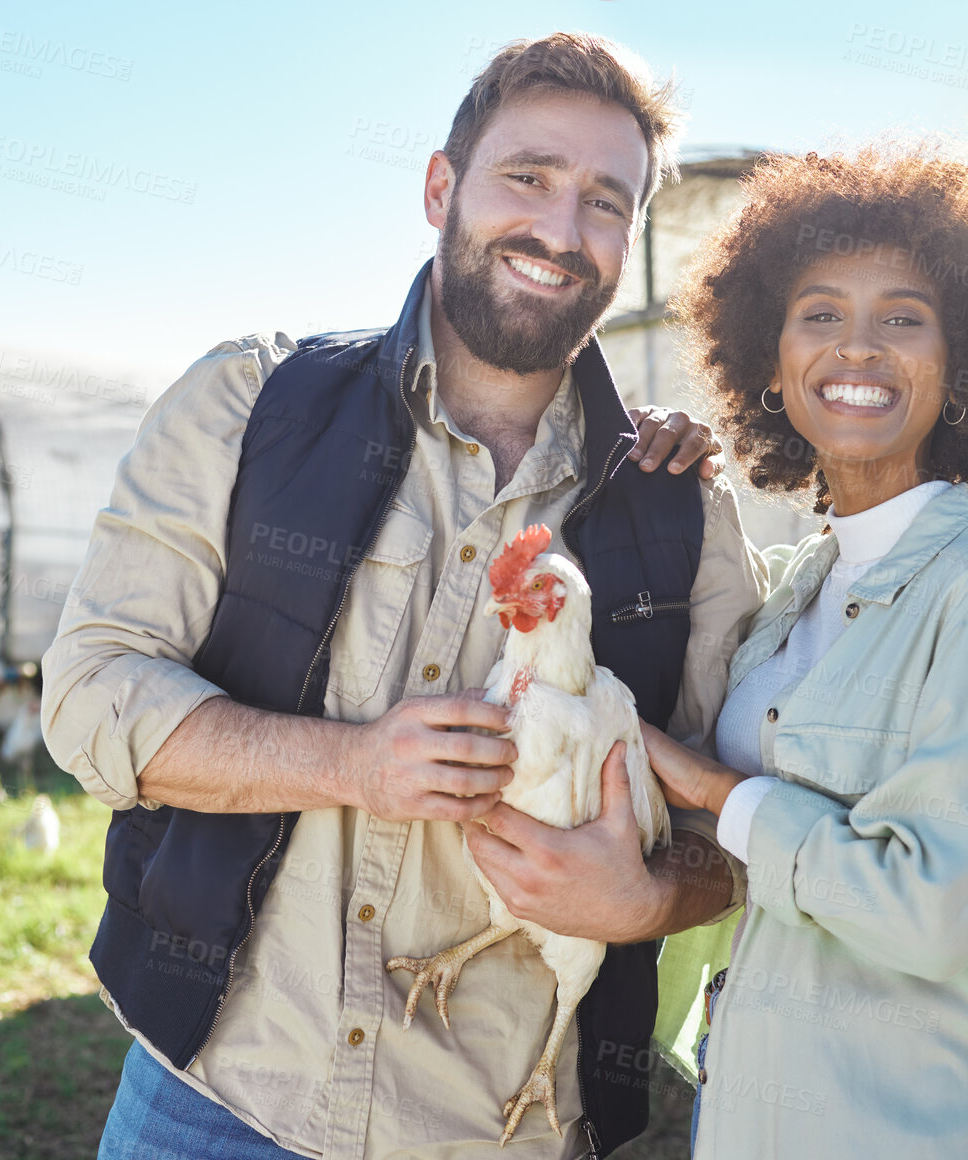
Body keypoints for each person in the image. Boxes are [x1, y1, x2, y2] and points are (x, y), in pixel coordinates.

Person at [41, 31, 770, 1160]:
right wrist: (350, 763)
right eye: (525, 177)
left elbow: (738, 827)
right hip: (218, 1099)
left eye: (603, 202)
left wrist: (641, 905)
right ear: (441, 186)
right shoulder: (251, 406)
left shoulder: (685, 514)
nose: (559, 229)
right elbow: (90, 694)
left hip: (496, 1128)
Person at [481, 144, 968, 1159]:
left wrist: (711, 787)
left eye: (902, 317)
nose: (855, 348)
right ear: (770, 361)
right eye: (818, 314)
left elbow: (926, 915)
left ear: (964, 360)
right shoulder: (799, 588)